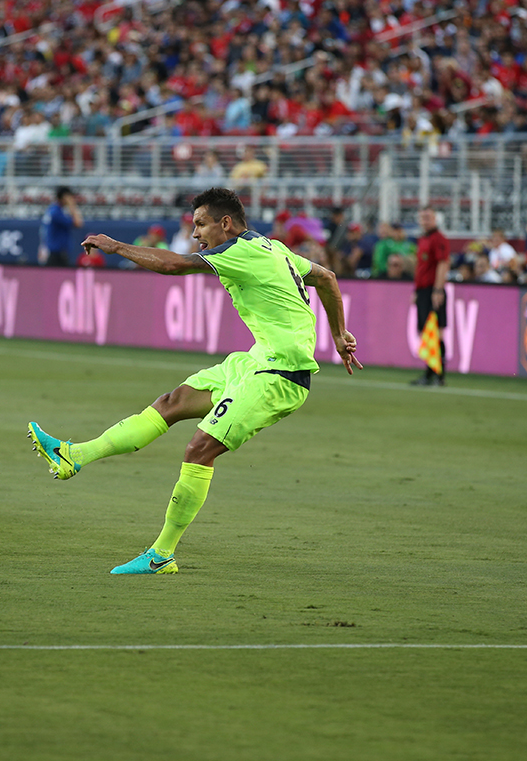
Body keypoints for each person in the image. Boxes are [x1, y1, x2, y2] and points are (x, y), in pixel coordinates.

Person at [27, 187, 360, 575]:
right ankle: (75, 455)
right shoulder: (274, 248)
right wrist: (338, 334)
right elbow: (327, 277)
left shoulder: (242, 251)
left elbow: (174, 266)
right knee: (171, 402)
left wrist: (115, 246)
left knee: (199, 449)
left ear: (226, 223)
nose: (195, 234)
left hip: (280, 374)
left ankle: (161, 555)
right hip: (253, 362)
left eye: (200, 224)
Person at [411, 208, 450, 387]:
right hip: (423, 291)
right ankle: (429, 374)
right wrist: (416, 291)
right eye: (422, 217)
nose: (425, 221)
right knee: (428, 334)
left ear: (435, 218)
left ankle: (439, 376)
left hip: (432, 290)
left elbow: (443, 263)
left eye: (428, 217)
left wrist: (438, 290)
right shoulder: (424, 239)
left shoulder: (438, 239)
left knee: (436, 332)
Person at [40, 185, 83, 267]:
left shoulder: (52, 209)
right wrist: (72, 205)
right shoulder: (57, 212)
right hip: (57, 253)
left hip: (53, 251)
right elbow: (78, 223)